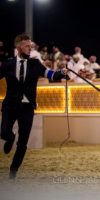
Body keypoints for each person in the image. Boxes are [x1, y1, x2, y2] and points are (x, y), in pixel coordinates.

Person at [0, 34, 68, 179]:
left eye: (31, 46)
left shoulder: (35, 63)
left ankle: (13, 170)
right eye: (27, 46)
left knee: (23, 143)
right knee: (4, 133)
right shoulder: (7, 64)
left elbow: (50, 74)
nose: (30, 48)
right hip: (10, 105)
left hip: (27, 107)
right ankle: (10, 138)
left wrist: (61, 73)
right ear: (18, 47)